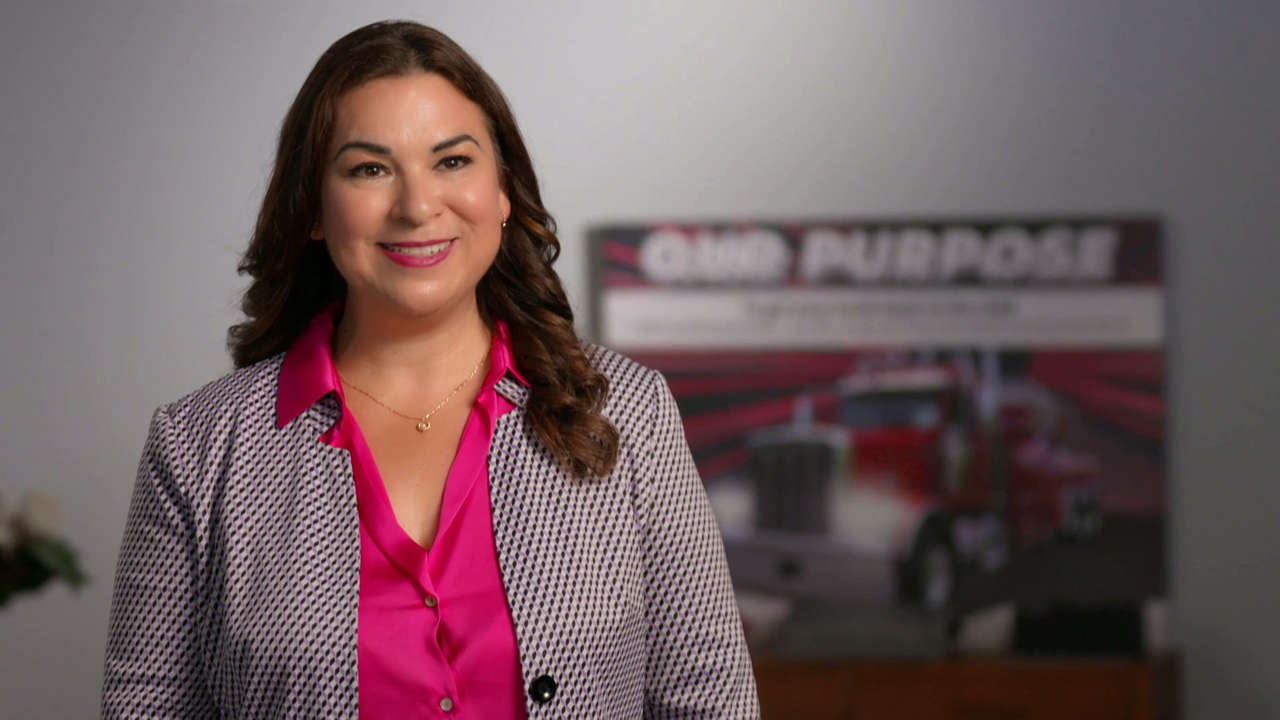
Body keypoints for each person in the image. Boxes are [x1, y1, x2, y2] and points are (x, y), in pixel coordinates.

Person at [101, 19, 758, 720]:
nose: (417, 207)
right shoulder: (197, 446)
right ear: (314, 210)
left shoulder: (628, 410)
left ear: (503, 191)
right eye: (369, 169)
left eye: (452, 161)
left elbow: (709, 697)